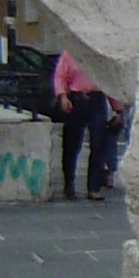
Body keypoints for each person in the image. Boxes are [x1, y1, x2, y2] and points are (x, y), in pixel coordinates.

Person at [52, 46, 111, 201]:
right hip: (76, 99)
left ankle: (94, 187)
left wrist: (118, 109)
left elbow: (110, 82)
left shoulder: (101, 56)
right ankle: (69, 183)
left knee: (98, 143)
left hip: (97, 99)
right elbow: (60, 76)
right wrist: (63, 97)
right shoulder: (69, 53)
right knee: (71, 143)